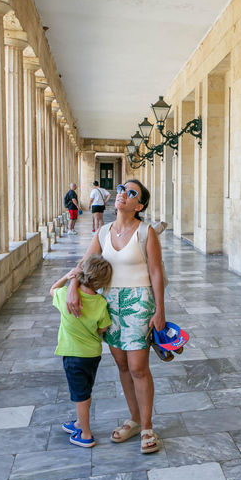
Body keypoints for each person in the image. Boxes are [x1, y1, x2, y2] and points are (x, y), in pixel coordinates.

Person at [65, 179, 166, 454]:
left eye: (131, 192)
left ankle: (147, 426)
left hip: (139, 302)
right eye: (121, 189)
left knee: (138, 367)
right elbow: (82, 266)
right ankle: (134, 420)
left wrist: (160, 311)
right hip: (109, 304)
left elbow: (156, 273)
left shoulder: (146, 232)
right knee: (122, 365)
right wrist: (73, 286)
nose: (123, 194)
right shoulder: (104, 232)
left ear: (139, 204)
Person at [50, 254, 113, 448]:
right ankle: (79, 423)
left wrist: (69, 277)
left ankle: (85, 434)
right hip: (93, 355)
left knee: (80, 396)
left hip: (73, 354)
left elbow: (53, 289)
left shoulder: (64, 297)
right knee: (86, 390)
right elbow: (102, 328)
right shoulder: (101, 302)